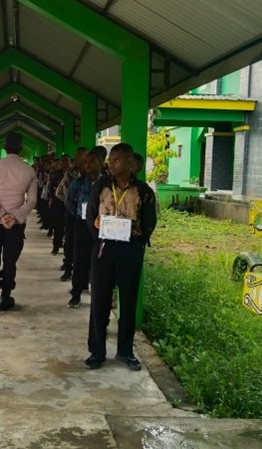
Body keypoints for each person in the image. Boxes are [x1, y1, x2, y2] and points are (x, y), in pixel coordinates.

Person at [84, 143, 156, 371]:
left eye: (116, 160)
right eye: (110, 159)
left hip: (129, 250)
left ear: (129, 163)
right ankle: (97, 351)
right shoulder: (101, 186)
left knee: (128, 300)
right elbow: (90, 215)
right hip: (104, 248)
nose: (110, 163)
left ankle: (125, 351)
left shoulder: (143, 191)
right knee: (100, 299)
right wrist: (98, 235)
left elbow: (149, 222)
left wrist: (137, 242)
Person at [0, 133, 38, 314]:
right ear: (21, 149)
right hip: (16, 223)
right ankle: (6, 297)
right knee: (10, 260)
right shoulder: (29, 170)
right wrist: (13, 217)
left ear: (4, 148)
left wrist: (0, 215)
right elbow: (32, 201)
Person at [66, 151, 102, 308]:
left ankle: (100, 294)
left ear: (101, 163)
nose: (87, 165)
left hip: (102, 227)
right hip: (82, 225)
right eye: (86, 162)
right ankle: (76, 293)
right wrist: (80, 215)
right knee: (80, 259)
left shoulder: (106, 183)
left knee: (100, 261)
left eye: (92, 162)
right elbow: (69, 201)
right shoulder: (79, 182)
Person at [56, 146, 87, 281]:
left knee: (84, 246)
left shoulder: (93, 174)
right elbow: (67, 195)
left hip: (88, 216)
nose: (80, 159)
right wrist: (75, 212)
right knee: (69, 242)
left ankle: (84, 275)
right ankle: (68, 268)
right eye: (78, 156)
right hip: (72, 213)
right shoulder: (70, 173)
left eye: (83, 156)